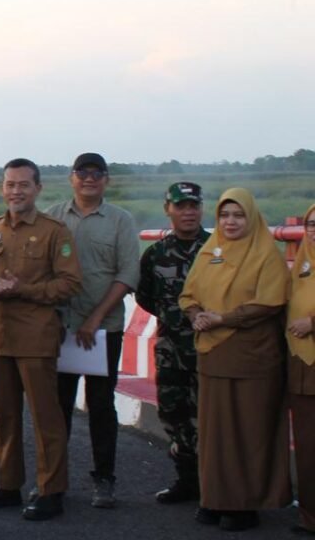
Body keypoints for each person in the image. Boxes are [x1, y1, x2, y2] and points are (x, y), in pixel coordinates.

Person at [0, 158, 81, 522]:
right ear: (2, 188)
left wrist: (24, 289)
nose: (16, 191)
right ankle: (8, 485)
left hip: (36, 338)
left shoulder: (55, 231)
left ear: (38, 189)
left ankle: (51, 490)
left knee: (46, 417)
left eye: (23, 185)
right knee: (5, 416)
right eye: (10, 184)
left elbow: (69, 284)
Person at [179, 188, 291, 532]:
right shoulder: (210, 251)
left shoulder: (266, 254)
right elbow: (190, 293)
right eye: (225, 215)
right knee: (215, 433)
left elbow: (269, 303)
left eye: (238, 215)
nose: (230, 222)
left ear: (252, 217)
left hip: (252, 359)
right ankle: (215, 498)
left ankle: (245, 504)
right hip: (213, 356)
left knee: (249, 432)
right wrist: (196, 313)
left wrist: (222, 319)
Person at [44, 152, 139, 509]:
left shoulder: (120, 221)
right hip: (60, 328)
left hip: (102, 330)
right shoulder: (52, 216)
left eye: (96, 173)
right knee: (57, 408)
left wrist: (95, 318)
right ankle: (53, 480)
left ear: (106, 180)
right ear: (71, 178)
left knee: (101, 406)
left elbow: (127, 274)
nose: (89, 179)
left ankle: (104, 480)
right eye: (82, 173)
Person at [135, 182, 208, 504]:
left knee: (211, 416)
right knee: (173, 414)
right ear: (169, 209)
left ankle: (215, 483)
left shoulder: (218, 249)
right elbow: (146, 297)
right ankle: (187, 479)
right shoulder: (156, 254)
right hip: (171, 350)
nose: (188, 212)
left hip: (211, 349)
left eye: (193, 206)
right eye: (181, 206)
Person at [287, 203, 315, 537]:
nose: (313, 230)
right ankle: (309, 514)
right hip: (301, 365)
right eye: (310, 224)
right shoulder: (302, 265)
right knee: (307, 445)